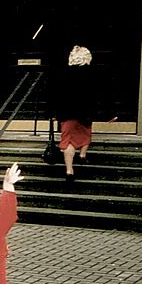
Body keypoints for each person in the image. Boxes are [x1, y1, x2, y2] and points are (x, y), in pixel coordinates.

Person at [57, 45, 95, 183]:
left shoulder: (62, 74)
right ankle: (83, 155)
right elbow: (96, 96)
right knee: (85, 135)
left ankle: (69, 170)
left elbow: (54, 95)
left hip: (66, 113)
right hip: (84, 114)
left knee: (68, 141)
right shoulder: (90, 74)